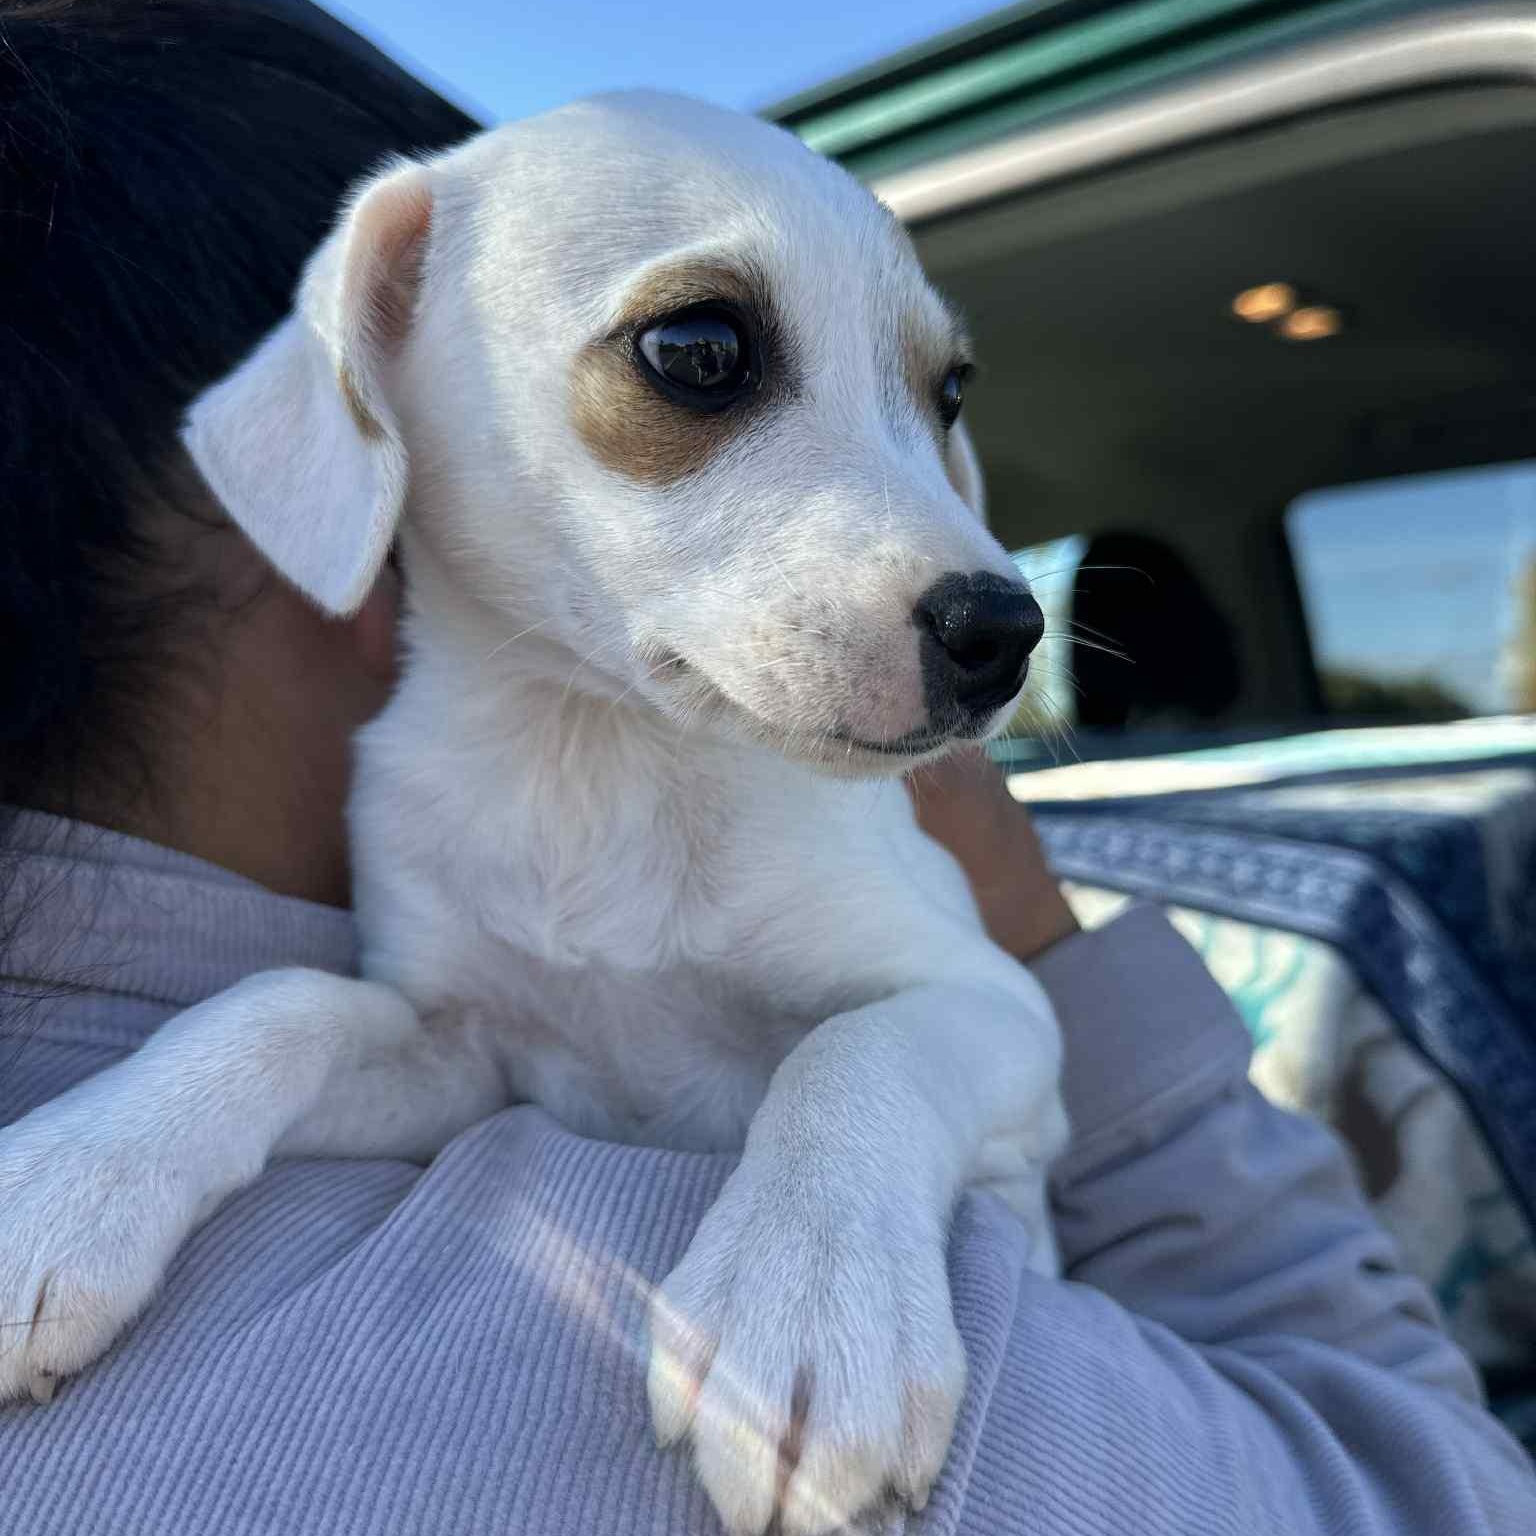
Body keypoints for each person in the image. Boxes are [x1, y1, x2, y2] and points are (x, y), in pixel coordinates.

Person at [0, 3, 1531, 1532]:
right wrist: (186, 1105)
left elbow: (969, 1018)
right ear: (369, 367)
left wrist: (840, 1164)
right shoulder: (421, 805)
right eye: (701, 354)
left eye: (931, 398)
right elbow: (454, 1049)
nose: (970, 558)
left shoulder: (789, 791)